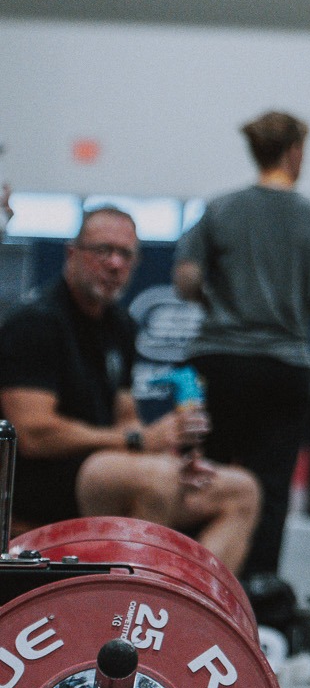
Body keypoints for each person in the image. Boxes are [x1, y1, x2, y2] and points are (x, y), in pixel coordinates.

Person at [0, 205, 259, 569]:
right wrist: (138, 442)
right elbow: (33, 434)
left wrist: (168, 453)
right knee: (155, 481)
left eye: (125, 254)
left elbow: (128, 419)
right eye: (103, 250)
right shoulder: (35, 323)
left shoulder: (120, 326)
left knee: (241, 489)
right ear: (72, 253)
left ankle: (192, 599)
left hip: (103, 468)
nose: (115, 264)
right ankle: (137, 598)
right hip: (40, 479)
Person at [173, 110, 310, 580]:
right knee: (270, 485)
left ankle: (191, 585)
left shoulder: (220, 209)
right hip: (284, 367)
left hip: (219, 363)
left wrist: (219, 298)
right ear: (294, 152)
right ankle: (261, 588)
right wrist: (294, 302)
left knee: (203, 474)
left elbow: (186, 278)